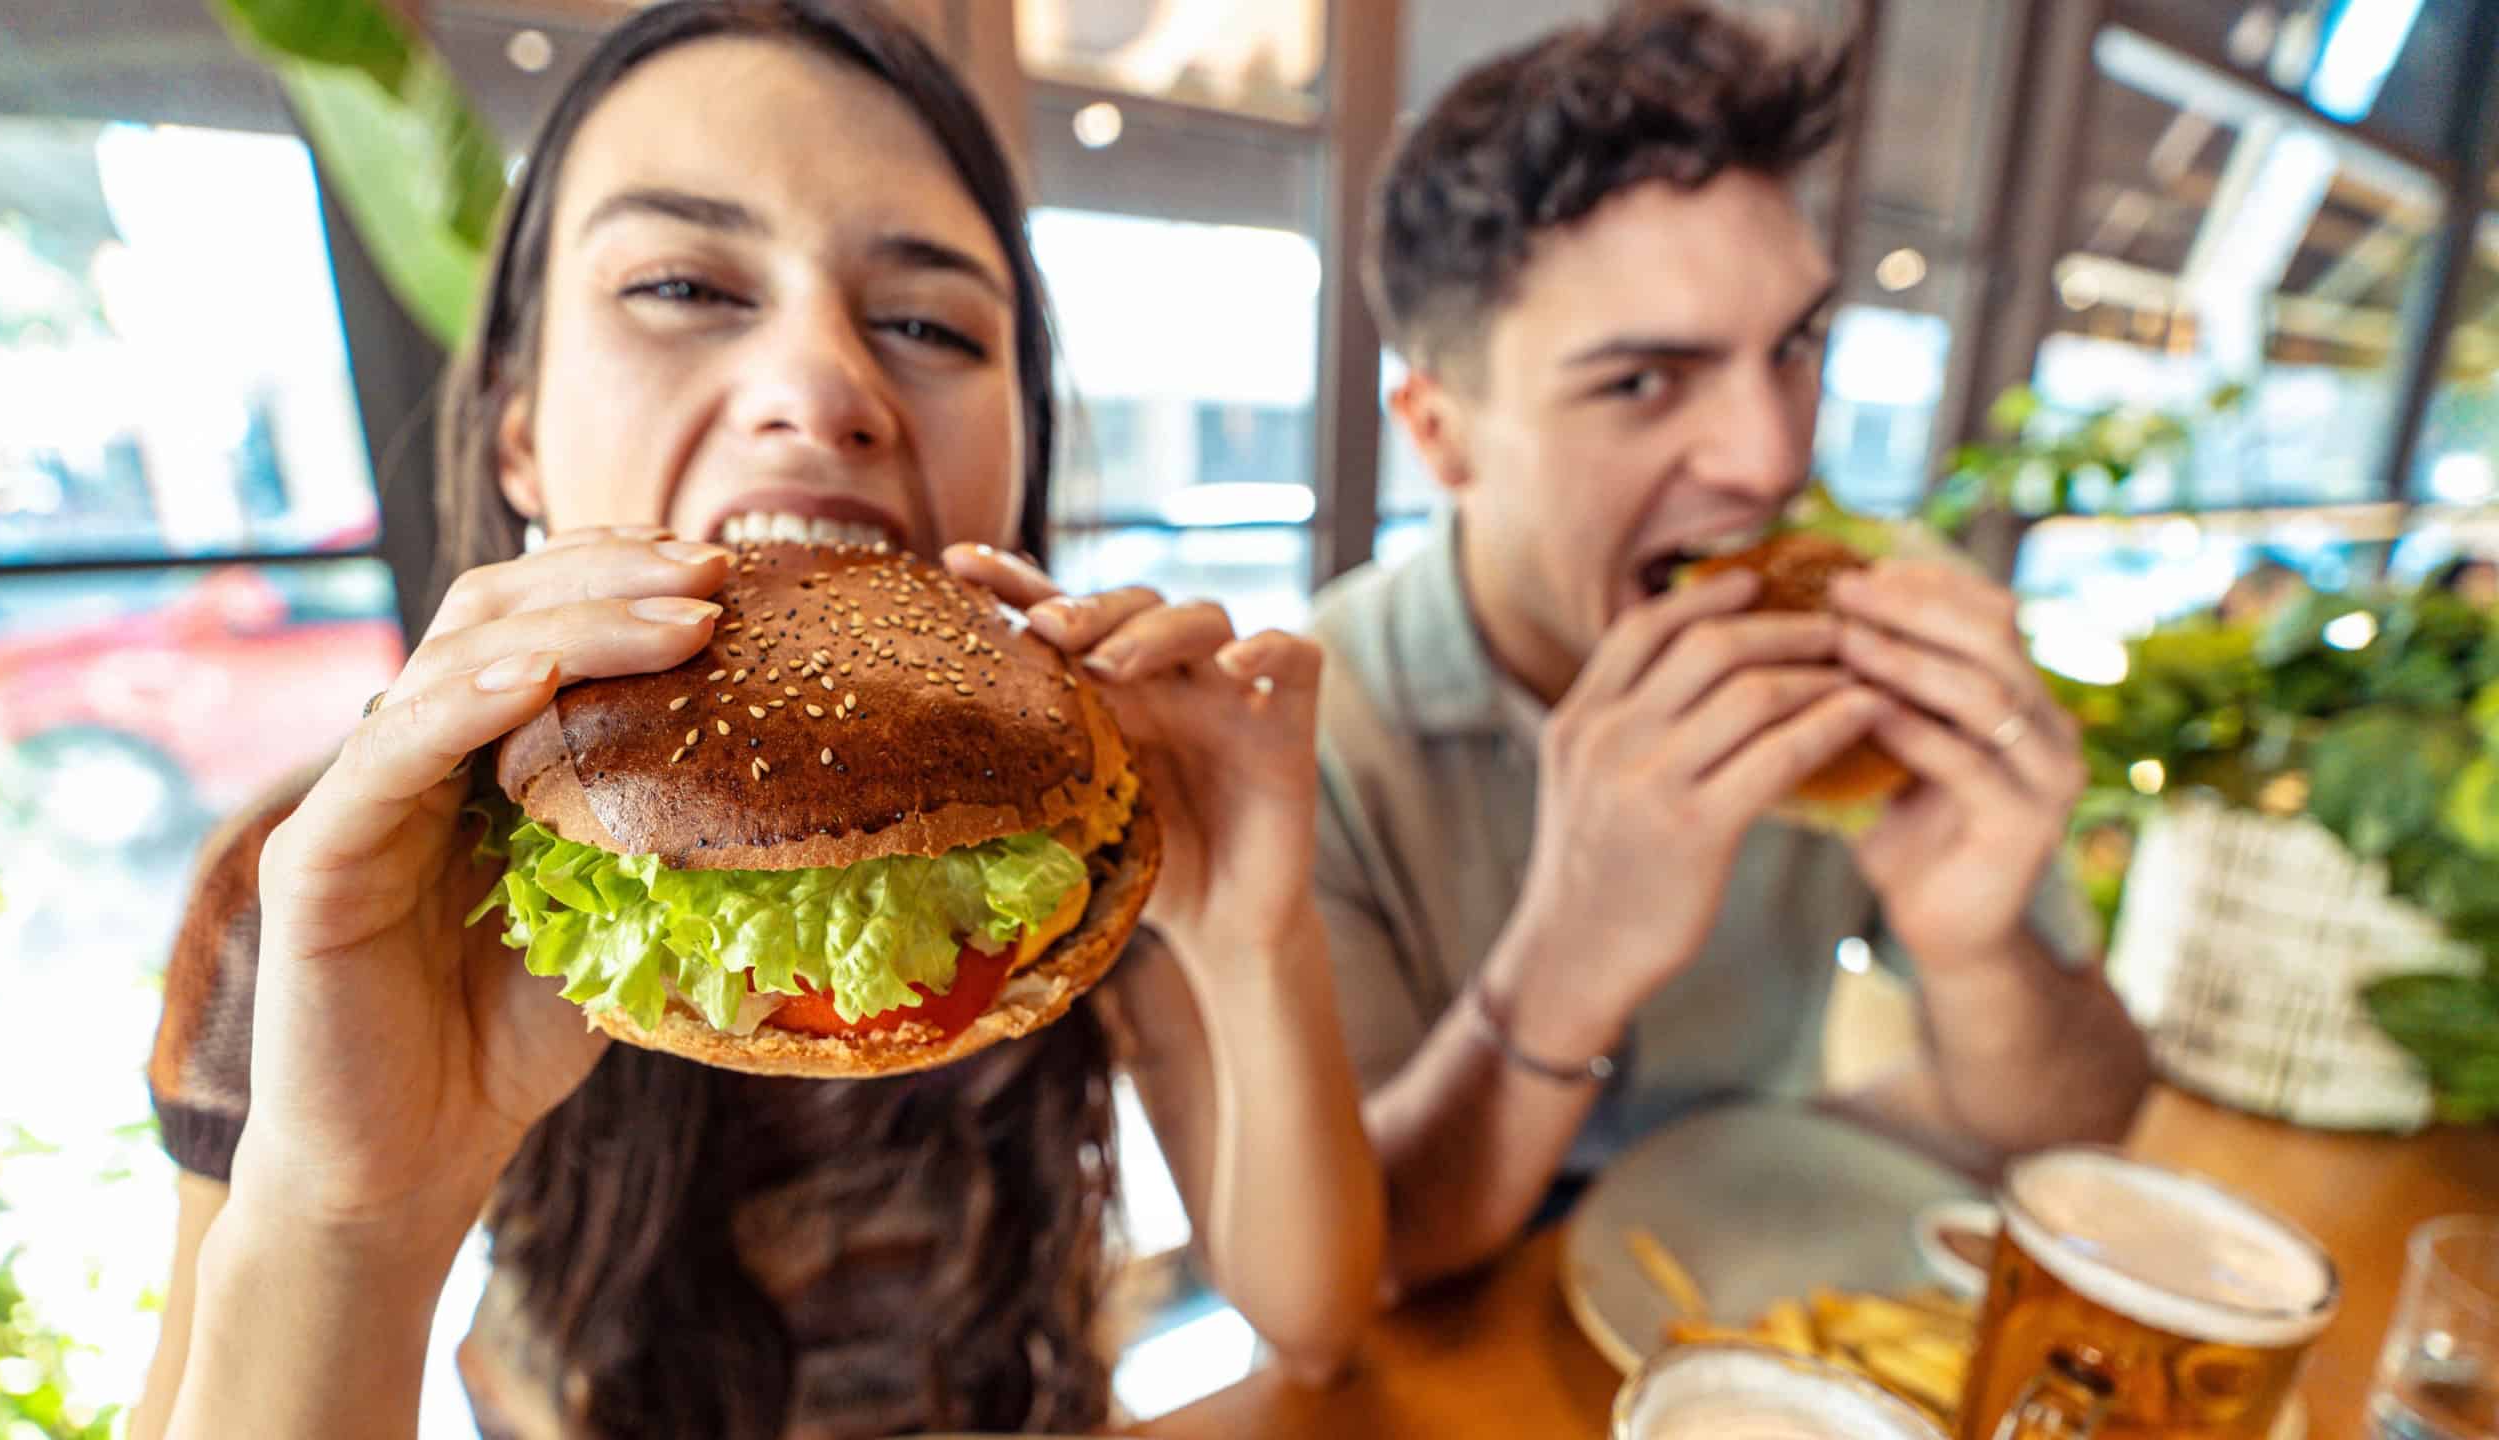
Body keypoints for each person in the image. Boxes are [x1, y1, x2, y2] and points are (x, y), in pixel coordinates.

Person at [134, 5, 1383, 1437]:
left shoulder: (1068, 818)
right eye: (679, 285)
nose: (824, 390)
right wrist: (354, 1219)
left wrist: (1251, 938)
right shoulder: (323, 894)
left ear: (1022, 438)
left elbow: (1315, 1324)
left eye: (926, 323)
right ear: (517, 429)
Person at [1311, 2, 2152, 1293]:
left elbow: (2076, 1123)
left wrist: (1980, 942)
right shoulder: (1313, 734)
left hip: (1759, 1283)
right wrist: (1568, 958)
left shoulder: (1893, 630)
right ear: (1442, 434)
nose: (1770, 458)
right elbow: (1355, 1266)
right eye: (1643, 382)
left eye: (1797, 346)